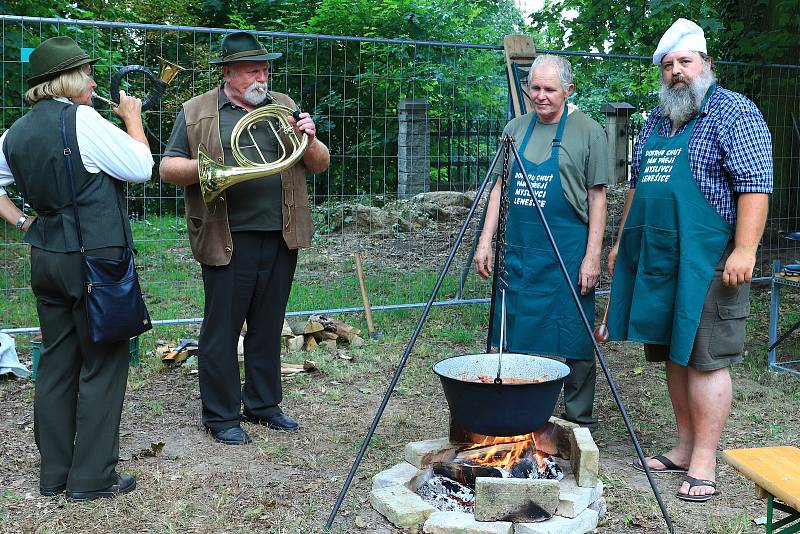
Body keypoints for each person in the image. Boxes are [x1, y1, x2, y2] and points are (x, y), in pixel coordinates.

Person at [607, 18, 772, 502]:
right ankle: (682, 447)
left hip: (709, 260)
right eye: (669, 65)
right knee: (674, 354)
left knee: (704, 360)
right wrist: (621, 244)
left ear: (705, 64)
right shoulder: (658, 120)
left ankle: (704, 462)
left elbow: (754, 185)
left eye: (685, 62)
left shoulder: (733, 112)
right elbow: (639, 188)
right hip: (660, 258)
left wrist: (745, 249)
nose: (677, 72)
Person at [0, 36, 153, 499]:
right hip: (94, 260)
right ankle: (91, 479)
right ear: (69, 80)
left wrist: (25, 222)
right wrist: (133, 119)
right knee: (105, 362)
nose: (92, 82)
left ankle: (54, 476)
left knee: (57, 365)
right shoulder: (82, 120)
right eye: (87, 74)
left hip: (47, 259)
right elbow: (142, 166)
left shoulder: (14, 133)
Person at [160, 31, 329, 445]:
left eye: (266, 69)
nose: (263, 76)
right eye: (254, 69)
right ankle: (220, 416)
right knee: (222, 327)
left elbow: (319, 164)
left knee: (269, 325)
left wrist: (309, 136)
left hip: (281, 232)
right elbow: (167, 168)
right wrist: (220, 169)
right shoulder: (197, 110)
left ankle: (263, 405)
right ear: (229, 73)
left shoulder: (283, 106)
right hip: (225, 235)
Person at [474, 54, 608, 429]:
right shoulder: (515, 128)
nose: (541, 96)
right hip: (518, 253)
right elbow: (498, 187)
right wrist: (486, 241)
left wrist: (592, 257)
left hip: (566, 253)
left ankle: (578, 420)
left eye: (550, 89)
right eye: (535, 88)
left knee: (573, 334)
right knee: (514, 330)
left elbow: (598, 197)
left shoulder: (588, 131)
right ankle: (518, 411)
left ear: (569, 89)